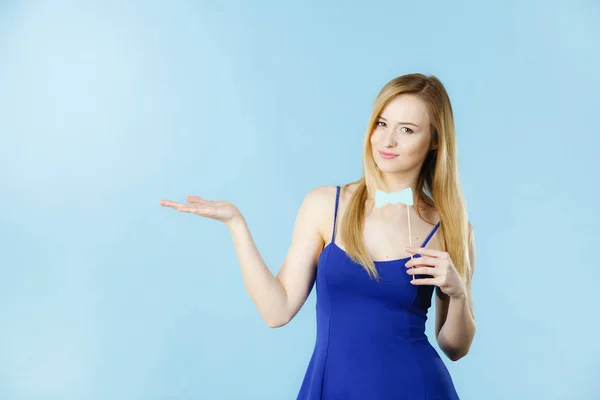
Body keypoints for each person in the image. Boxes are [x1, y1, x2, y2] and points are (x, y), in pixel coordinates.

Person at [159, 73, 476, 399]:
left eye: (406, 130)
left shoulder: (452, 228)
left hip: (417, 388)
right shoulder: (326, 205)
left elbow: (454, 347)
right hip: (334, 387)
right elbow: (276, 311)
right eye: (381, 124)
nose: (387, 140)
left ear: (435, 140)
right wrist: (236, 225)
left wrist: (459, 293)